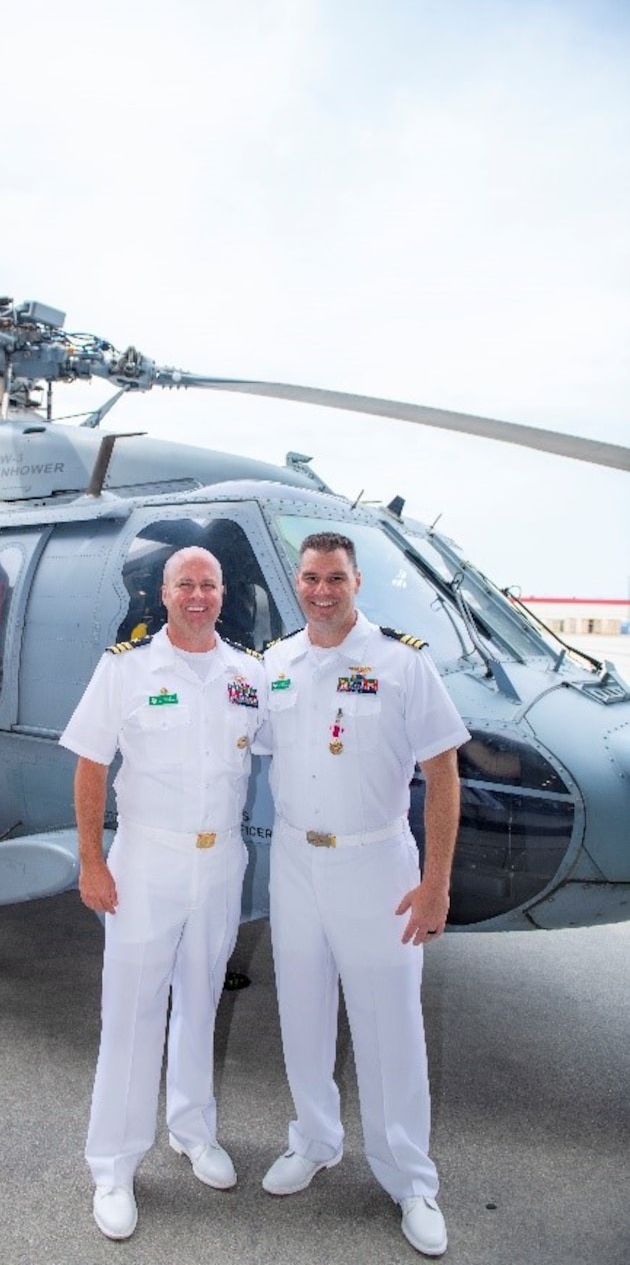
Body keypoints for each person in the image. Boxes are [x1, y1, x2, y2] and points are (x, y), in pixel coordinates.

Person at [257, 531, 469, 1258]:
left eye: (336, 578)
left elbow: (443, 775)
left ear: (357, 581)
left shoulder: (402, 663)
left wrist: (434, 883)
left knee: (391, 1027)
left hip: (377, 865)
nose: (322, 590)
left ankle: (411, 1178)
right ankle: (315, 1140)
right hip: (294, 861)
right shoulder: (275, 663)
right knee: (302, 1010)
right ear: (298, 582)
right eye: (312, 578)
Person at [59, 546, 265, 1241]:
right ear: (164, 593)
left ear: (222, 592)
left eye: (208, 584)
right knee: (132, 1013)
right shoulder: (127, 668)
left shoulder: (248, 674)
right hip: (146, 859)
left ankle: (192, 1129)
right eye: (186, 584)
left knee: (201, 999)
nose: (198, 595)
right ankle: (113, 1167)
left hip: (220, 861)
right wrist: (93, 862)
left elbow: (291, 746)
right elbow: (91, 767)